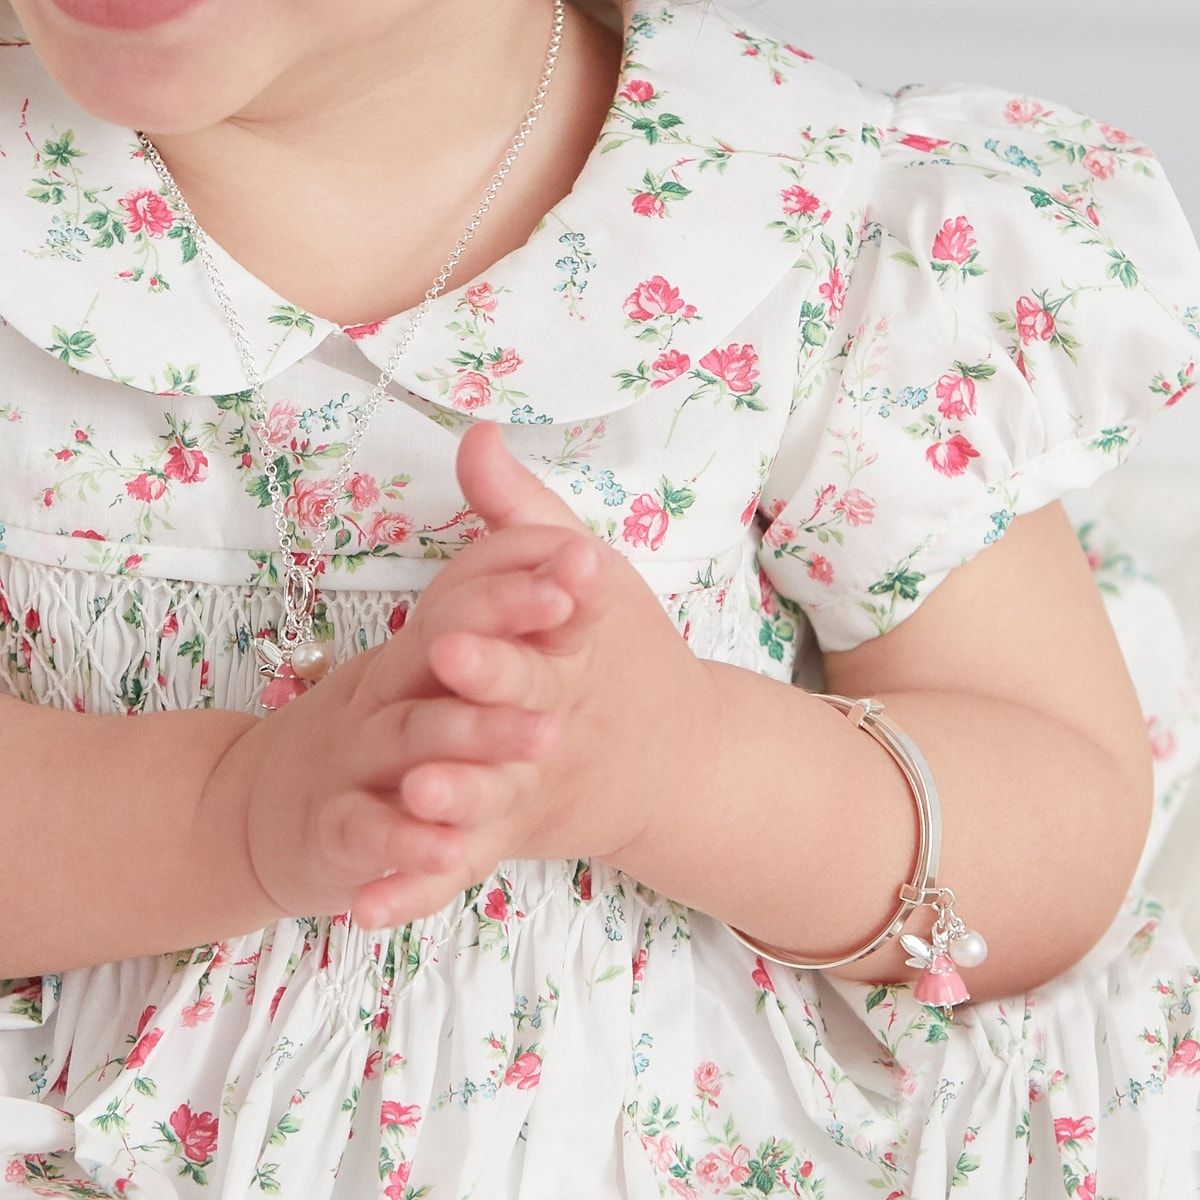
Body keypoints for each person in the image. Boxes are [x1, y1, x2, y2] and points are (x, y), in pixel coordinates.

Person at [0, 0, 1197, 1194]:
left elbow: (1053, 820)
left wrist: (688, 765)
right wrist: (228, 813)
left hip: (649, 1122)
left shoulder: (796, 217)